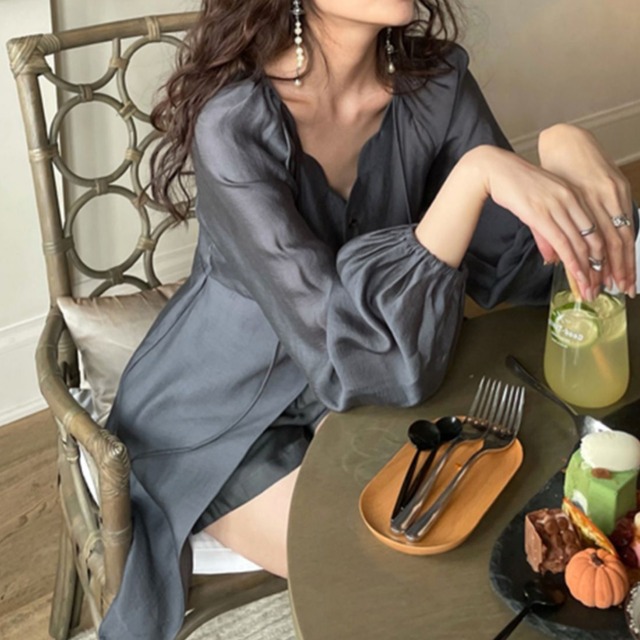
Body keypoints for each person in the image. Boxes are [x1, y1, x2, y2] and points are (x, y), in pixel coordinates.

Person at [100, 1, 637, 638]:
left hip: (359, 396)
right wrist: (473, 179)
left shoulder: (436, 86)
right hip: (220, 417)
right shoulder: (235, 126)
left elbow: (520, 270)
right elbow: (350, 362)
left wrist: (562, 149)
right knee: (401, 586)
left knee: (501, 523)